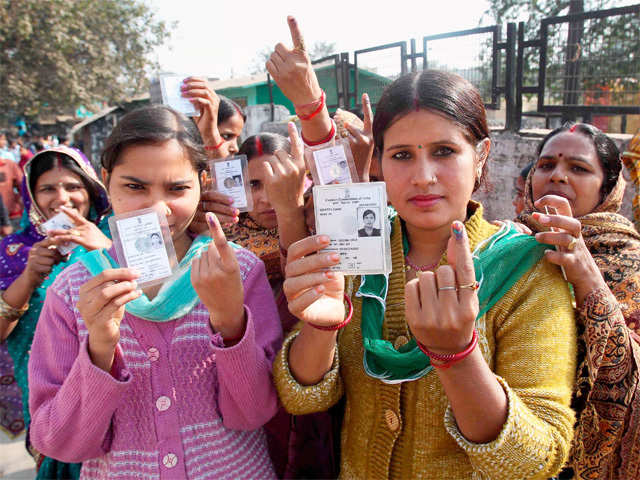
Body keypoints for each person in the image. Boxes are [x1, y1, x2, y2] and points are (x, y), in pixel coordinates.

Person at [274, 67, 577, 479]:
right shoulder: (353, 249)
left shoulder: (527, 272)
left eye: (444, 151)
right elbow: (302, 398)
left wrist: (457, 356)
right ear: (378, 162)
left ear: (481, 155)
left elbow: (534, 461)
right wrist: (320, 329)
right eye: (402, 155)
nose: (423, 177)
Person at [28, 105, 281, 479]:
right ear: (106, 180)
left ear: (202, 182)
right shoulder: (72, 291)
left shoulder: (238, 271)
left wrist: (230, 322)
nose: (157, 208)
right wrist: (99, 349)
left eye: (177, 188)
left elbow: (254, 413)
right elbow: (60, 442)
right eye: (134, 186)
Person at [518, 122, 640, 479]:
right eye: (546, 165)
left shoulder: (629, 261)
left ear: (607, 186)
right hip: (514, 442)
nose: (557, 176)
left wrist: (588, 281)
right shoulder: (507, 246)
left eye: (578, 168)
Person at [0, 146, 112, 479]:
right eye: (48, 188)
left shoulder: (118, 236)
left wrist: (103, 251)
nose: (61, 198)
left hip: (113, 388)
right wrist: (29, 278)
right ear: (31, 195)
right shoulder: (12, 251)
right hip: (49, 399)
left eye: (73, 187)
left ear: (91, 191)